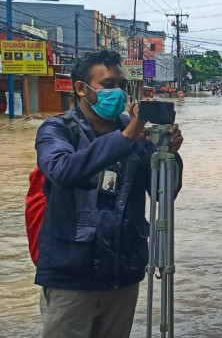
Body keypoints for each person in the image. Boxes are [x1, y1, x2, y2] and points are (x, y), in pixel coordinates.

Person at [34, 50, 184, 338]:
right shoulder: (58, 129)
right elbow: (62, 169)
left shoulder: (136, 135)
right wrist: (126, 137)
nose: (116, 91)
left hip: (122, 276)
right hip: (70, 276)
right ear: (81, 88)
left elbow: (163, 194)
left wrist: (168, 155)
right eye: (107, 84)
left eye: (121, 84)